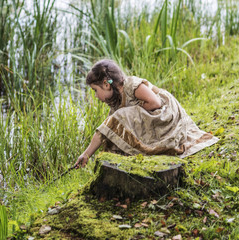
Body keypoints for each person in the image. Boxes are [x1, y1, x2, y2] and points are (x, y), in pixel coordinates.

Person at [75, 59, 218, 168]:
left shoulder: (131, 85)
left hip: (164, 112)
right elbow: (106, 129)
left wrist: (133, 112)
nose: (95, 96)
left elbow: (155, 103)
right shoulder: (117, 103)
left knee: (121, 116)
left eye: (95, 90)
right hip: (150, 115)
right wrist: (86, 154)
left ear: (106, 84)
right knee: (117, 121)